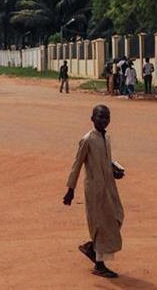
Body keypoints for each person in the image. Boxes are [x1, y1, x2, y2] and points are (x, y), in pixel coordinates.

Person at [64, 105, 125, 279]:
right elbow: (77, 165)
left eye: (107, 117)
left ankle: (91, 247)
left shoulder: (107, 138)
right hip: (95, 189)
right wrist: (70, 189)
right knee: (100, 224)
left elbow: (105, 160)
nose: (104, 120)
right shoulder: (87, 140)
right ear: (92, 119)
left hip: (109, 186)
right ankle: (99, 264)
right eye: (100, 117)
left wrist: (114, 170)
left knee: (117, 216)